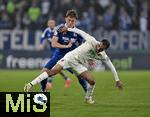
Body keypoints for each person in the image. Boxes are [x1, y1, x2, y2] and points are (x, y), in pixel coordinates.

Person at [24, 27, 123, 104]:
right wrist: (68, 29)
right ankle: (30, 85)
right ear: (100, 43)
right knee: (52, 72)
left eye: (101, 49)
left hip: (78, 65)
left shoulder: (102, 55)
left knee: (92, 81)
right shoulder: (92, 40)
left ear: (104, 49)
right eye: (99, 46)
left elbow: (111, 67)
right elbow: (80, 31)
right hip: (69, 58)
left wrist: (117, 80)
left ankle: (88, 98)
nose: (99, 49)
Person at [37, 9, 88, 92]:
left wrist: (84, 57)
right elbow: (53, 44)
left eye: (73, 21)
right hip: (59, 55)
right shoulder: (59, 29)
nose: (70, 22)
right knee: (43, 72)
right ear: (65, 19)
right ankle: (43, 92)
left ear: (75, 21)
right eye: (69, 20)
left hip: (71, 58)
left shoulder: (78, 32)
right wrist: (65, 46)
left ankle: (87, 93)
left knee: (80, 76)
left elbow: (82, 45)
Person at [38, 19, 72, 91]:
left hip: (59, 51)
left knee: (57, 67)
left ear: (54, 24)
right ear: (48, 24)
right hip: (53, 51)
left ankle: (49, 83)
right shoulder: (47, 31)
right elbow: (42, 37)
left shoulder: (58, 30)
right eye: (50, 23)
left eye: (52, 23)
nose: (51, 24)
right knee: (57, 67)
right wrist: (41, 44)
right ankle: (67, 79)